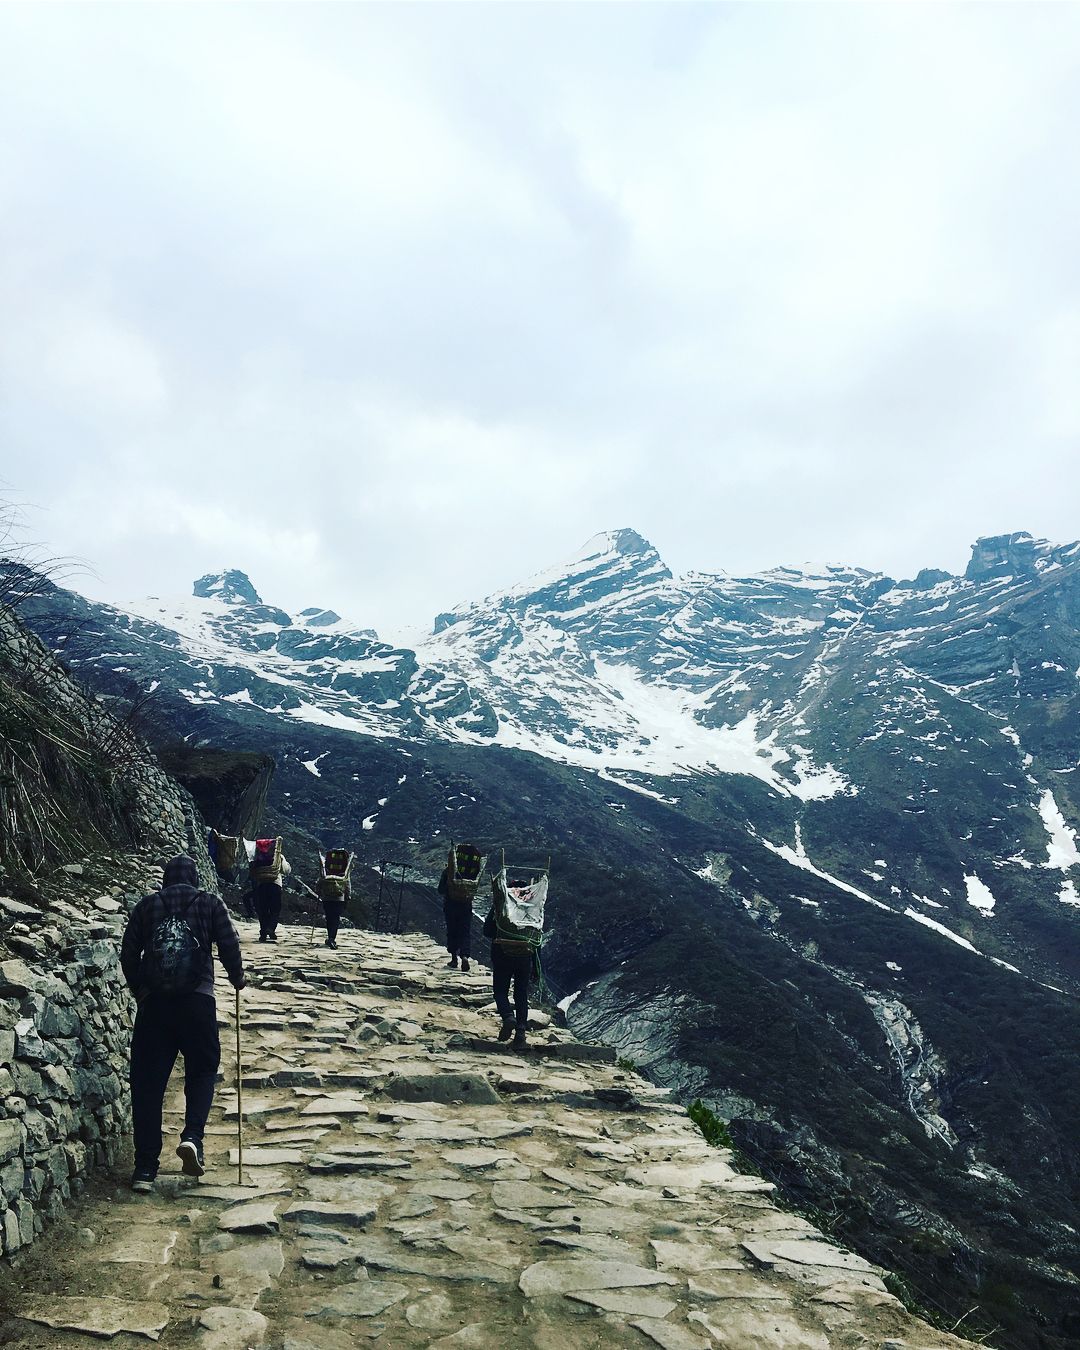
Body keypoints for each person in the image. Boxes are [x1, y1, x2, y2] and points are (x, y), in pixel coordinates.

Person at [120, 854, 246, 1192]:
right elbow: (229, 943)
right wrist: (237, 978)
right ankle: (192, 1137)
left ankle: (145, 1168)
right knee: (202, 1071)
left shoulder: (147, 906)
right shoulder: (209, 903)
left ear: (166, 879)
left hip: (155, 1007)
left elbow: (128, 953)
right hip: (197, 1003)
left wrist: (141, 990)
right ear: (194, 878)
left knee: (148, 1085)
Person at [485, 874, 533, 1050]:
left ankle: (507, 1017)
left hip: (502, 954)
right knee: (521, 993)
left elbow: (487, 930)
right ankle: (520, 1032)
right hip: (525, 957)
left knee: (500, 991)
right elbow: (536, 938)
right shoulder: (533, 908)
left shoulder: (501, 905)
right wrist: (536, 967)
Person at [248, 836, 291, 942]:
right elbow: (286, 870)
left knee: (263, 910)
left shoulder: (257, 856)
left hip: (261, 885)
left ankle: (263, 933)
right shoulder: (278, 856)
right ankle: (271, 929)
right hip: (275, 884)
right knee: (275, 909)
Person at [438, 861, 472, 973]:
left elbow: (440, 890)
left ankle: (454, 959)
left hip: (450, 906)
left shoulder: (448, 871)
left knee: (452, 931)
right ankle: (464, 956)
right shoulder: (471, 871)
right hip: (466, 906)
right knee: (465, 932)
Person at [317, 848, 352, 949]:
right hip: (339, 897)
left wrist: (318, 890)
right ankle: (332, 938)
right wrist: (348, 896)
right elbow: (347, 882)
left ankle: (330, 937)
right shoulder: (344, 868)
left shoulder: (326, 867)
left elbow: (320, 879)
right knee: (335, 918)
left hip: (327, 897)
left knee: (329, 917)